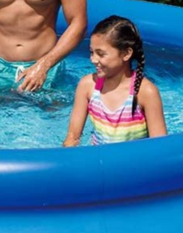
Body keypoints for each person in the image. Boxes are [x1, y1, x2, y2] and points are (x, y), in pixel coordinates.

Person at [63, 15, 167, 146]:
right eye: (91, 52)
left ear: (126, 54)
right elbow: (72, 137)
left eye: (101, 54)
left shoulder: (145, 92)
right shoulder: (88, 86)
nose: (93, 60)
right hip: (97, 160)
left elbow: (159, 146)